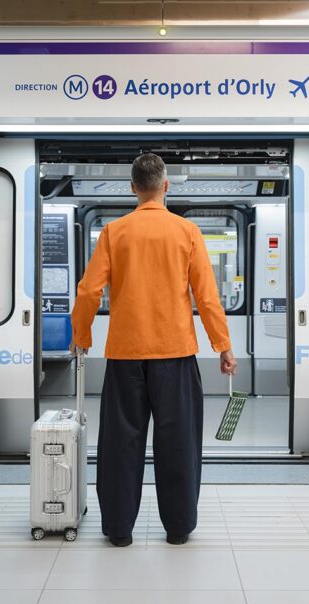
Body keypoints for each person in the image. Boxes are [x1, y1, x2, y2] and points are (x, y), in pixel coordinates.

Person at [70, 153, 237, 547]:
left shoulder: (113, 232)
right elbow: (207, 297)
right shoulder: (186, 231)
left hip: (125, 356)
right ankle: (178, 528)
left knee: (120, 445)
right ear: (166, 186)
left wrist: (82, 336)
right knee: (178, 443)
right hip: (175, 355)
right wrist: (223, 346)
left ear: (133, 188)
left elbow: (89, 291)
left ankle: (119, 530)